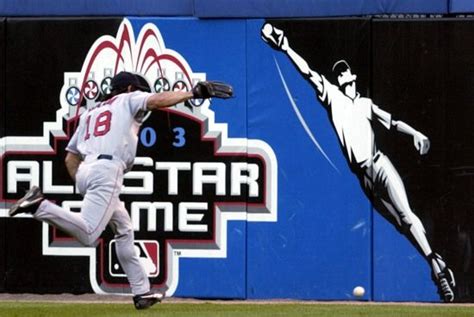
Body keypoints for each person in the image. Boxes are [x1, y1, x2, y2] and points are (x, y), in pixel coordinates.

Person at [261, 23, 456, 302]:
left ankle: (437, 272)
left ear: (352, 75)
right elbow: (308, 73)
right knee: (403, 225)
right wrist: (286, 47)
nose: (341, 74)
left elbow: (391, 122)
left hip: (380, 165)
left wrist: (416, 133)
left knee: (407, 215)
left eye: (345, 70)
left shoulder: (365, 104)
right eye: (337, 72)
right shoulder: (332, 97)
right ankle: (437, 263)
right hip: (363, 176)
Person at [8, 72, 232, 309]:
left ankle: (142, 291)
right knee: (89, 234)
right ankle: (39, 205)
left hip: (88, 170)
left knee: (124, 229)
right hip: (108, 169)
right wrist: (193, 93)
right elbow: (156, 100)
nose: (142, 94)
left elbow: (70, 158)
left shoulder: (90, 113)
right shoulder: (128, 99)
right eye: (139, 90)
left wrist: (85, 181)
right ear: (128, 89)